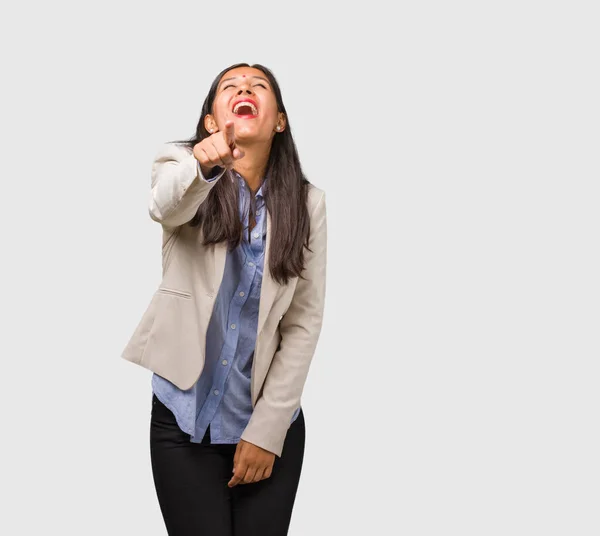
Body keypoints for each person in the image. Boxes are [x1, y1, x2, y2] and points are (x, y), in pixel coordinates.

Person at [121, 62, 328, 535]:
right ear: (212, 120)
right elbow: (164, 206)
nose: (245, 88)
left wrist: (266, 432)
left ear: (280, 119)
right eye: (230, 86)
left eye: (259, 86)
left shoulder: (308, 202)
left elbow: (303, 322)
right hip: (183, 423)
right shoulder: (180, 167)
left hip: (266, 423)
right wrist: (203, 164)